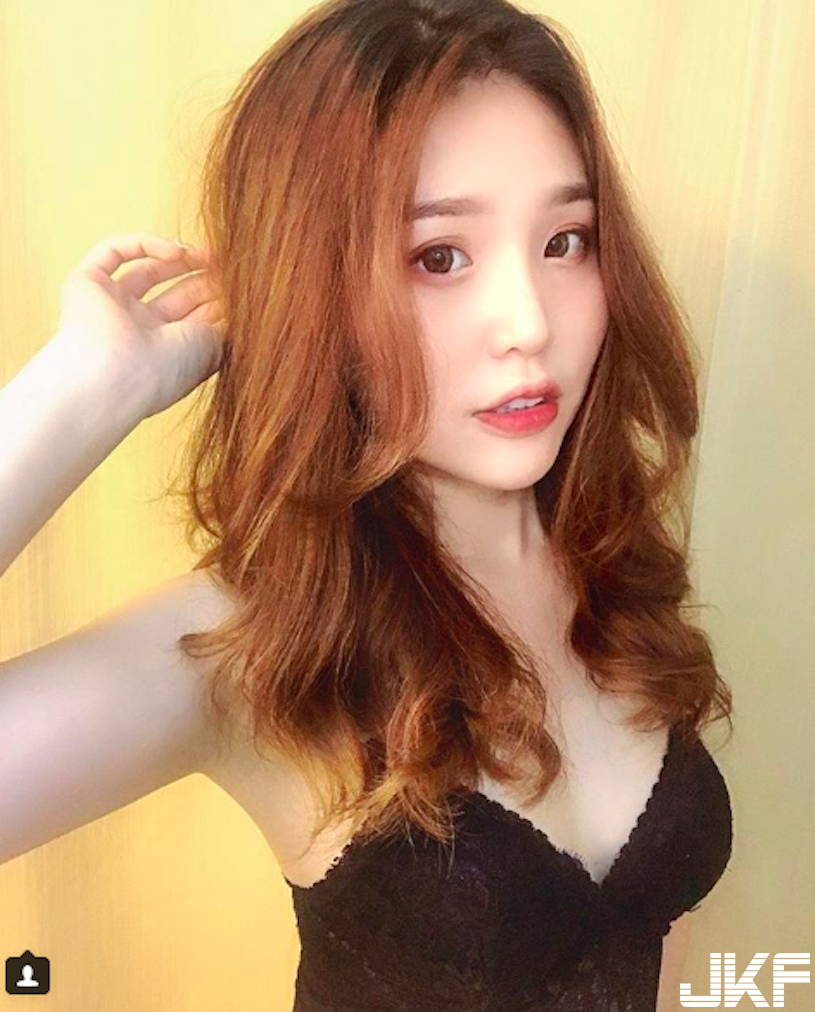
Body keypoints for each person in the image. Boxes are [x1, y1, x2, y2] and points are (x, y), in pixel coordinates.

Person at [0, 0, 734, 1008]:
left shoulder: (609, 560)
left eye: (566, 240)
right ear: (316, 289)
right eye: (438, 257)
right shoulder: (249, 649)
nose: (527, 322)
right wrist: (84, 390)